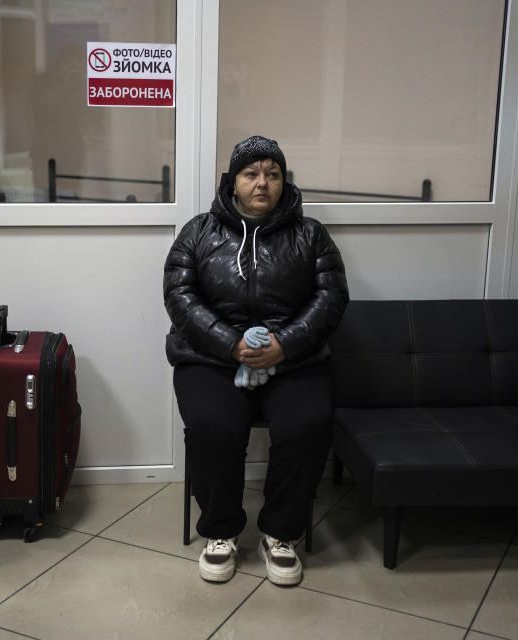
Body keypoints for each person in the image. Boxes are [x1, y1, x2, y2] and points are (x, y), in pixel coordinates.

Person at [164, 136, 349, 586]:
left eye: (272, 174)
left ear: (284, 182)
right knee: (213, 426)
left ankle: (280, 533)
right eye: (251, 174)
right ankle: (221, 531)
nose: (262, 183)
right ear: (233, 182)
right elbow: (179, 294)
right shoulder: (199, 231)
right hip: (212, 359)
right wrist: (230, 343)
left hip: (294, 360)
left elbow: (331, 298)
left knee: (307, 423)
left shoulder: (311, 235)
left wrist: (284, 344)